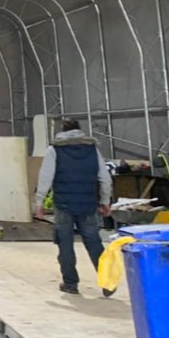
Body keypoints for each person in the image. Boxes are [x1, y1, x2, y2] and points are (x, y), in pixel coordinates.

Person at [33, 118, 112, 295]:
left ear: (62, 131)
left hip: (63, 205)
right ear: (79, 130)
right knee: (94, 243)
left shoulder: (55, 149)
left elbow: (45, 178)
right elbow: (105, 178)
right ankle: (107, 283)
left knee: (65, 244)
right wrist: (105, 201)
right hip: (88, 205)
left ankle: (70, 283)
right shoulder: (92, 149)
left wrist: (39, 203)